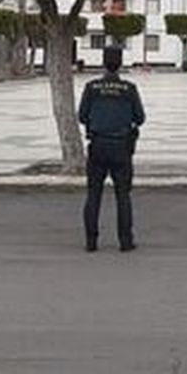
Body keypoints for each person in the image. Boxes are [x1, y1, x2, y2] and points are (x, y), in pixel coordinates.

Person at [79, 45, 145, 252]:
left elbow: (82, 116)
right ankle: (125, 241)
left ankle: (91, 241)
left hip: (98, 145)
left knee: (93, 194)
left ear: (103, 63)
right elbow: (140, 118)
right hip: (121, 146)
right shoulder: (129, 89)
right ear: (120, 64)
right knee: (123, 195)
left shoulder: (92, 87)